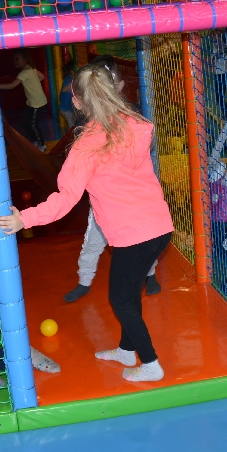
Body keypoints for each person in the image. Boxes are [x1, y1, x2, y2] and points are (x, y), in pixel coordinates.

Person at [0, 61, 174, 383]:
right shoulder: (136, 123)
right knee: (130, 292)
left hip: (134, 234)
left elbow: (65, 199)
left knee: (121, 299)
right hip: (159, 226)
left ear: (76, 102)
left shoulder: (86, 146)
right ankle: (126, 350)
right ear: (114, 89)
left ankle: (151, 364)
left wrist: (25, 218)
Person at [64, 55, 161, 304]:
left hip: (130, 203)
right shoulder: (89, 121)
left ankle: (150, 275)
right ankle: (84, 281)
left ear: (118, 87)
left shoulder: (130, 117)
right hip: (104, 204)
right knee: (92, 242)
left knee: (140, 241)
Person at [0, 49, 49, 152]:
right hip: (31, 102)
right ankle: (36, 140)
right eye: (14, 59)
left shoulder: (25, 72)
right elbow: (42, 77)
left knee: (34, 125)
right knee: (24, 123)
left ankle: (42, 145)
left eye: (17, 59)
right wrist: (33, 83)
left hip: (37, 103)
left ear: (25, 59)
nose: (15, 62)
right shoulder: (30, 68)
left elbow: (12, 86)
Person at [59, 60, 77, 128]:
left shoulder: (70, 78)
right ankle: (71, 134)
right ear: (72, 72)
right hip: (66, 109)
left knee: (73, 124)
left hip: (68, 108)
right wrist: (71, 83)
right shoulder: (69, 79)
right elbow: (64, 90)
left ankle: (72, 133)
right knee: (72, 126)